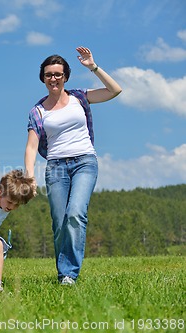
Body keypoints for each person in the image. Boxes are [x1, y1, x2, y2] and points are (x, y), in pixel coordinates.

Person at [24, 46, 122, 285]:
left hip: (84, 162)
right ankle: (64, 272)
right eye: (49, 74)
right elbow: (31, 146)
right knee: (60, 222)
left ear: (65, 76)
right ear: (43, 78)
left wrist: (93, 67)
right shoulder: (38, 111)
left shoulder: (79, 97)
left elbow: (115, 90)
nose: (53, 78)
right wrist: (29, 176)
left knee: (76, 214)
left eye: (58, 74)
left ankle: (69, 274)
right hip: (56, 167)